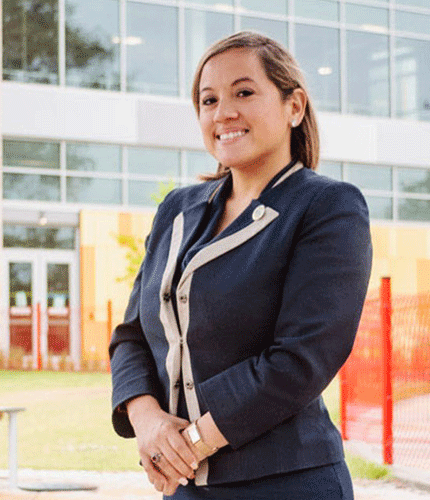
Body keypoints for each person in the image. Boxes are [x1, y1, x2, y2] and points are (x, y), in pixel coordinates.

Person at [109, 31, 372, 499]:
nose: (223, 112)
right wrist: (147, 422)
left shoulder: (328, 207)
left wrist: (186, 445)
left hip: (286, 484)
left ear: (294, 107)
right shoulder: (178, 208)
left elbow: (303, 358)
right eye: (208, 100)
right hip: (185, 486)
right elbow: (132, 334)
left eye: (244, 92)